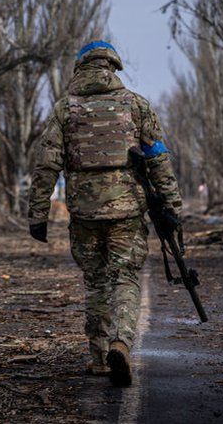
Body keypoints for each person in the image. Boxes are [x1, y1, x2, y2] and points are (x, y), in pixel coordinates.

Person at [27, 40, 182, 387]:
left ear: (80, 68)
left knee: (95, 281)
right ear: (113, 67)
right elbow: (158, 159)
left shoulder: (65, 109)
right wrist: (172, 206)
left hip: (84, 213)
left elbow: (46, 164)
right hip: (127, 211)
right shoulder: (136, 106)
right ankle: (121, 343)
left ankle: (99, 358)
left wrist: (37, 214)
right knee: (125, 278)